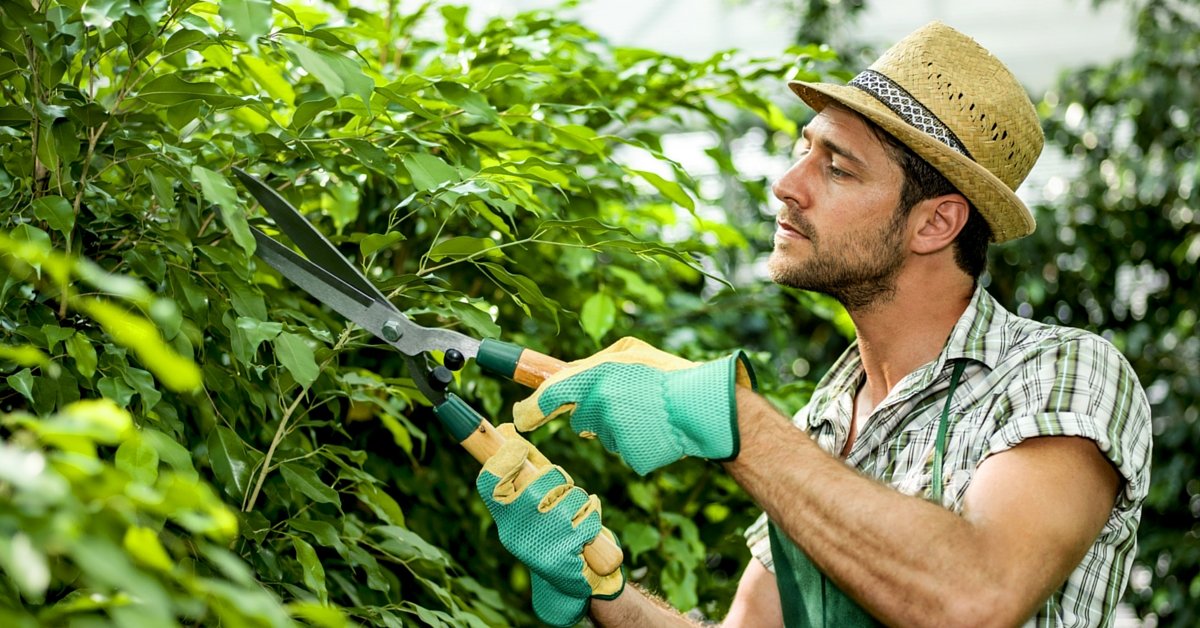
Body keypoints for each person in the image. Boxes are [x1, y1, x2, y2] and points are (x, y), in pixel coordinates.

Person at [474, 21, 1151, 627]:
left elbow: (974, 599)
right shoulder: (828, 415)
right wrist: (602, 586)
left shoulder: (1061, 374)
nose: (787, 184)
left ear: (936, 222)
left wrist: (738, 419)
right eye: (804, 149)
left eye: (837, 167)